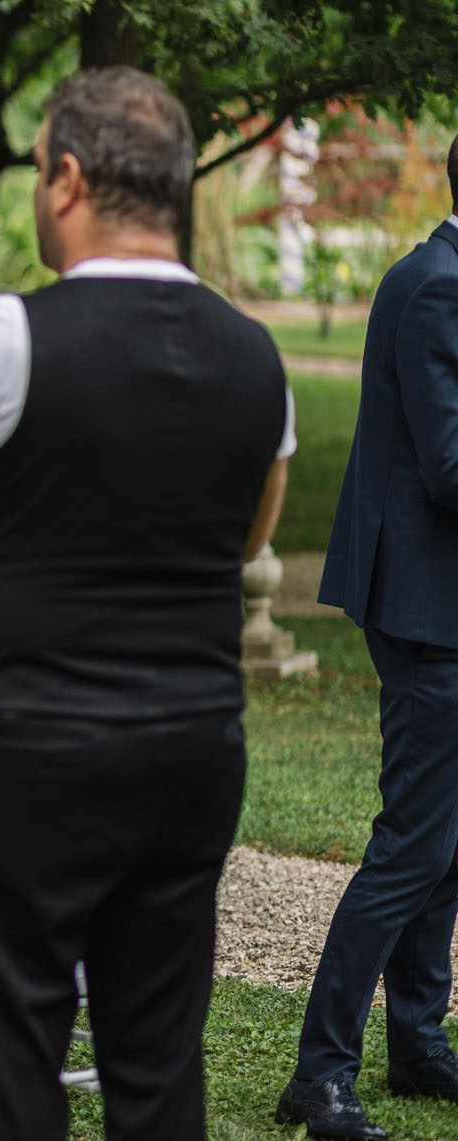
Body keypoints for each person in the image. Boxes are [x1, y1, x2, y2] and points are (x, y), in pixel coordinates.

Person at [0, 66, 294, 1141]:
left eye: (37, 169)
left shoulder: (5, 334)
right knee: (157, 1067)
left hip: (22, 754)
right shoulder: (253, 354)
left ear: (70, 179)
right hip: (187, 751)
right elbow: (244, 539)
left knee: (5, 1068)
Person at [279, 136, 458, 1141]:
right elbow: (448, 464)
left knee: (446, 842)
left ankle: (418, 1043)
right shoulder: (437, 286)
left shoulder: (432, 272)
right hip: (430, 608)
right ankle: (318, 1073)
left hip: (437, 599)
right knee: (410, 846)